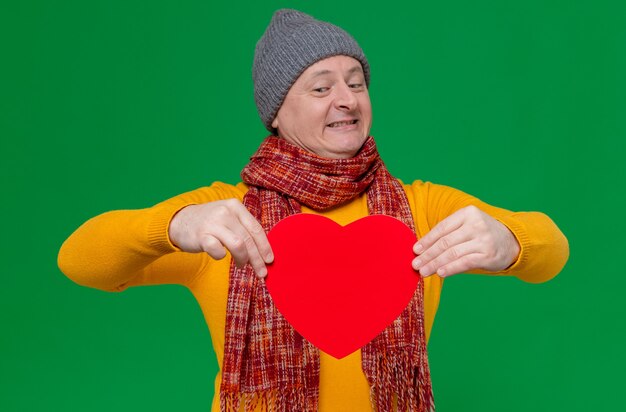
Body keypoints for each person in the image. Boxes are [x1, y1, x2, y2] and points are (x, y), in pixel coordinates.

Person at [58, 9, 569, 412]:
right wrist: (169, 226)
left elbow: (553, 250)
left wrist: (510, 242)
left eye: (356, 82)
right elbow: (77, 261)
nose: (346, 99)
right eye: (321, 87)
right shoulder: (228, 219)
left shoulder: (421, 209)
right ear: (277, 112)